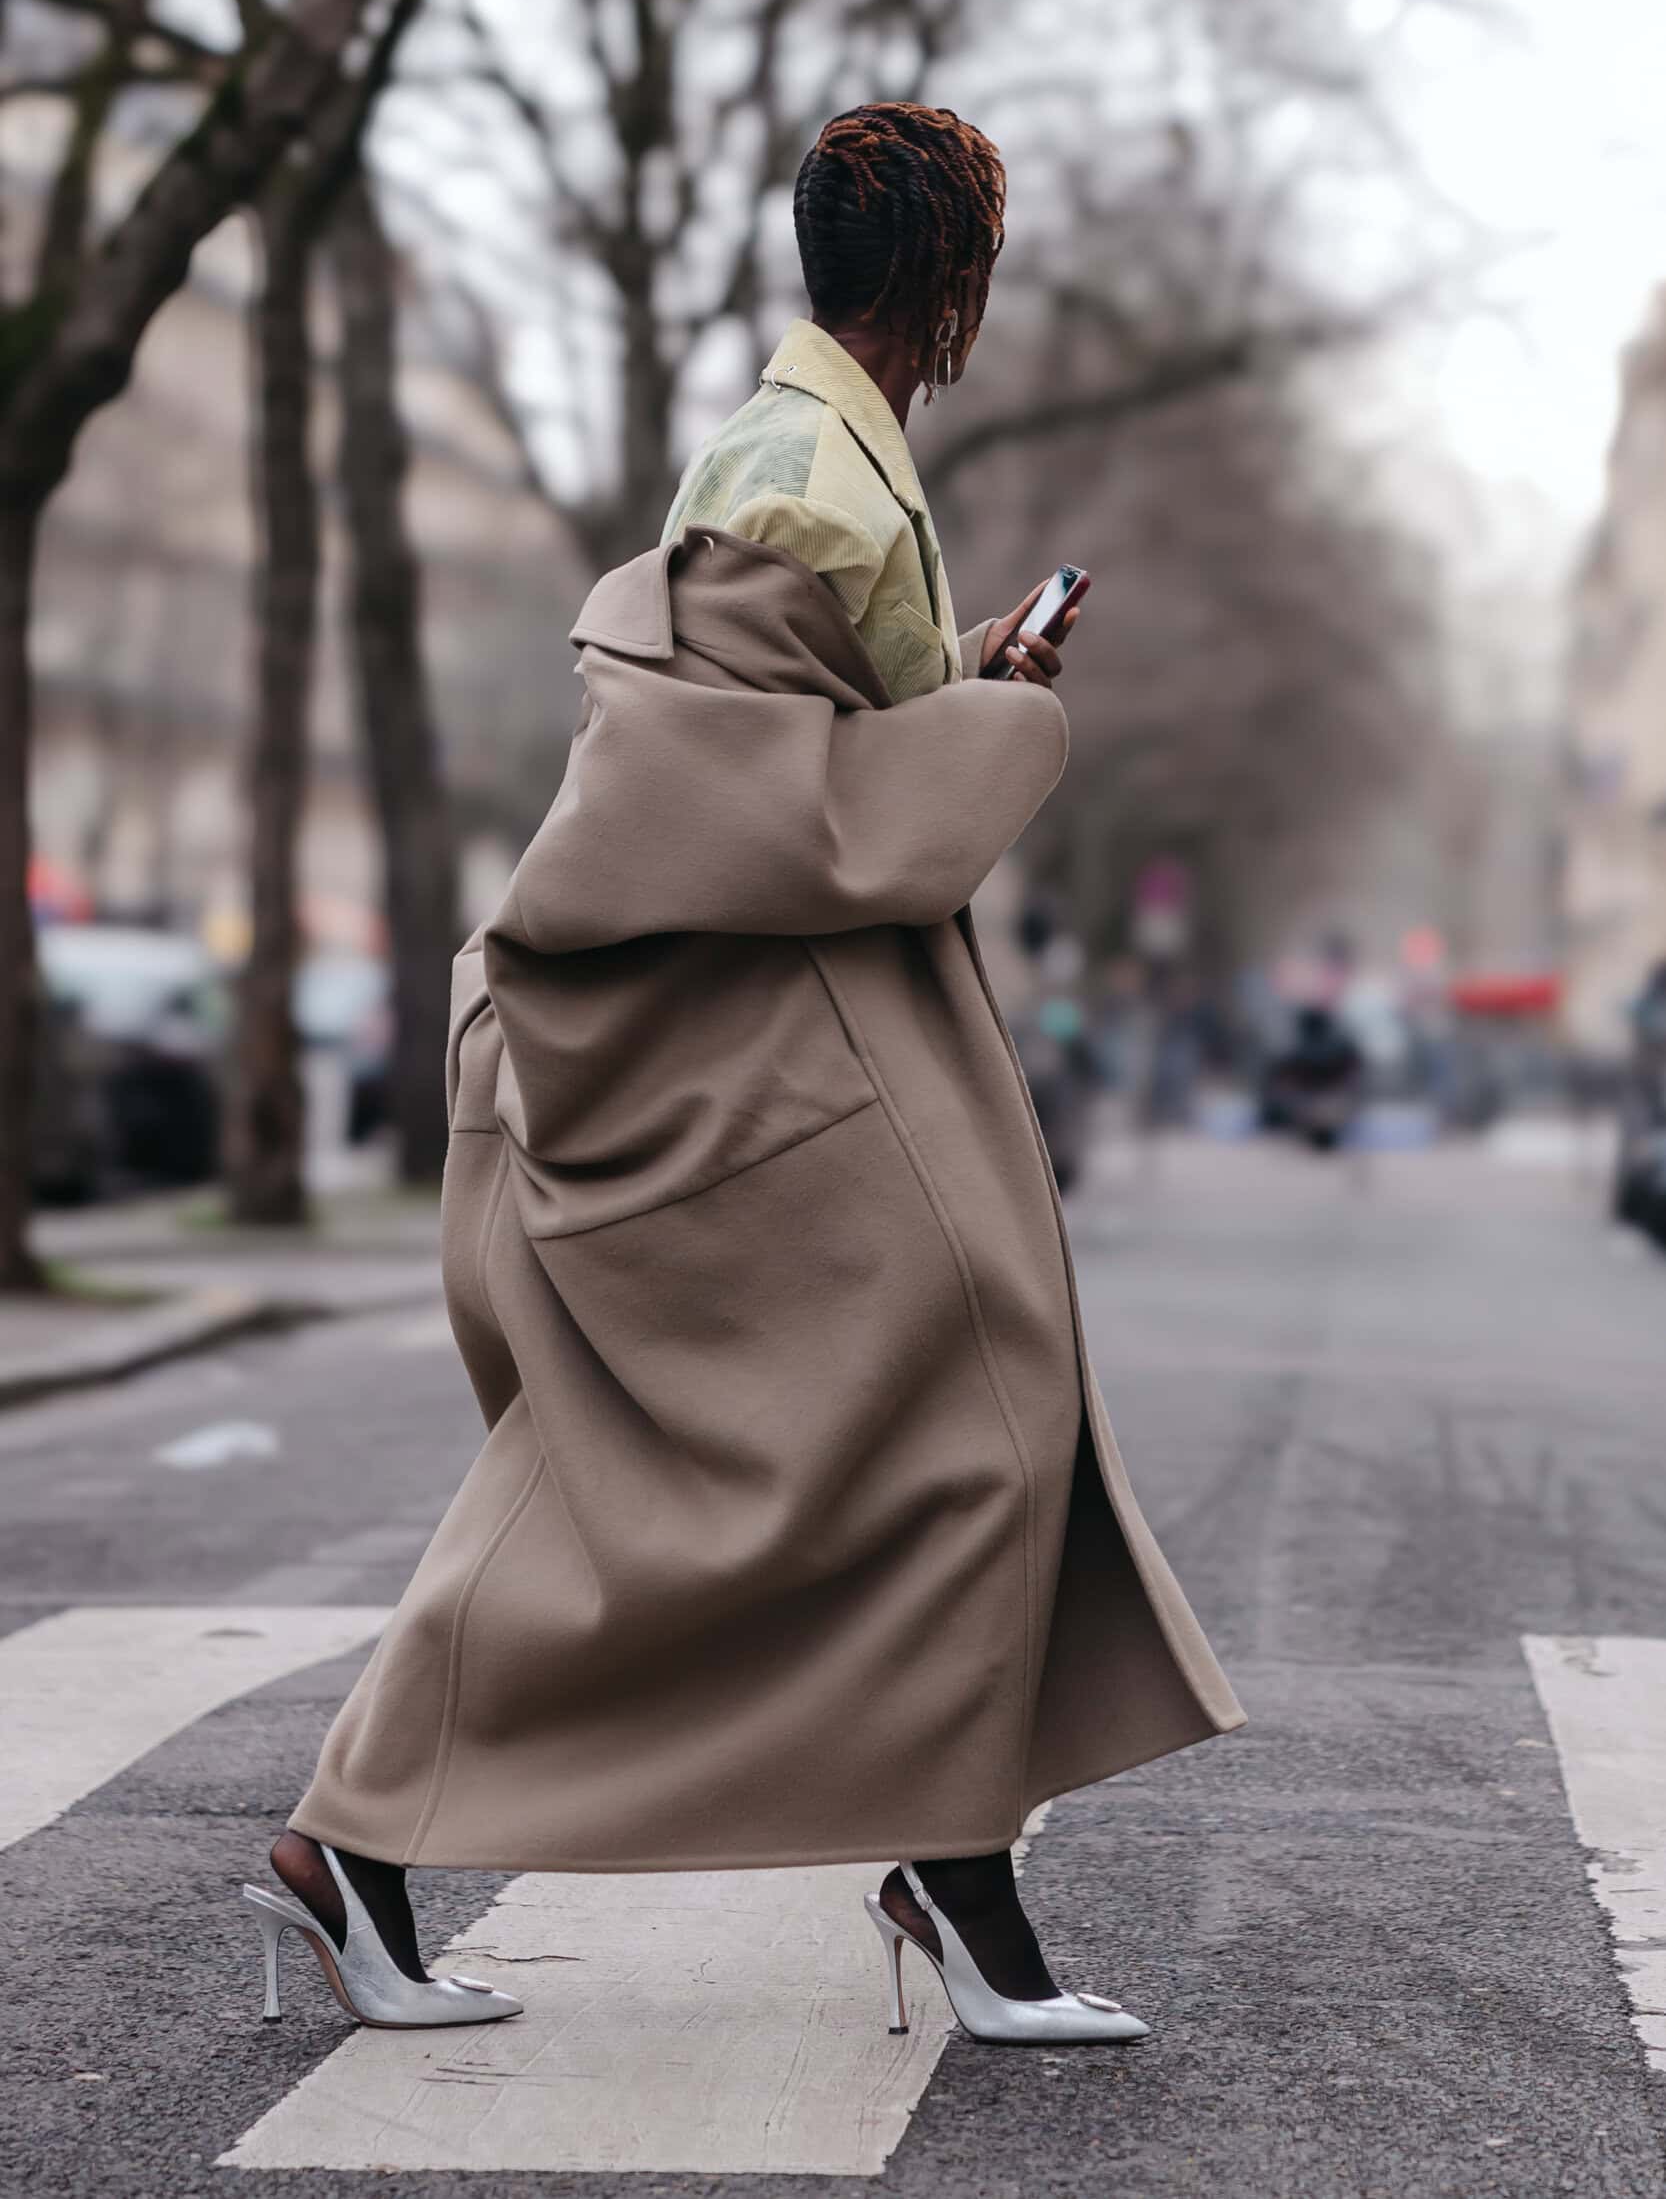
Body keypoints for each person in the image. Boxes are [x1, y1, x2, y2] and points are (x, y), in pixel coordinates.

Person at [250, 102, 1243, 2049]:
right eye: (978, 261)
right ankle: (362, 1842)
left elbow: (797, 739)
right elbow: (726, 791)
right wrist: (980, 730)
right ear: (945, 277)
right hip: (746, 1061)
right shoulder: (800, 474)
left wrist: (959, 680)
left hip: (790, 1038)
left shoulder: (820, 452)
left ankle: (945, 1869)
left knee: (944, 1428)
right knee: (878, 1431)